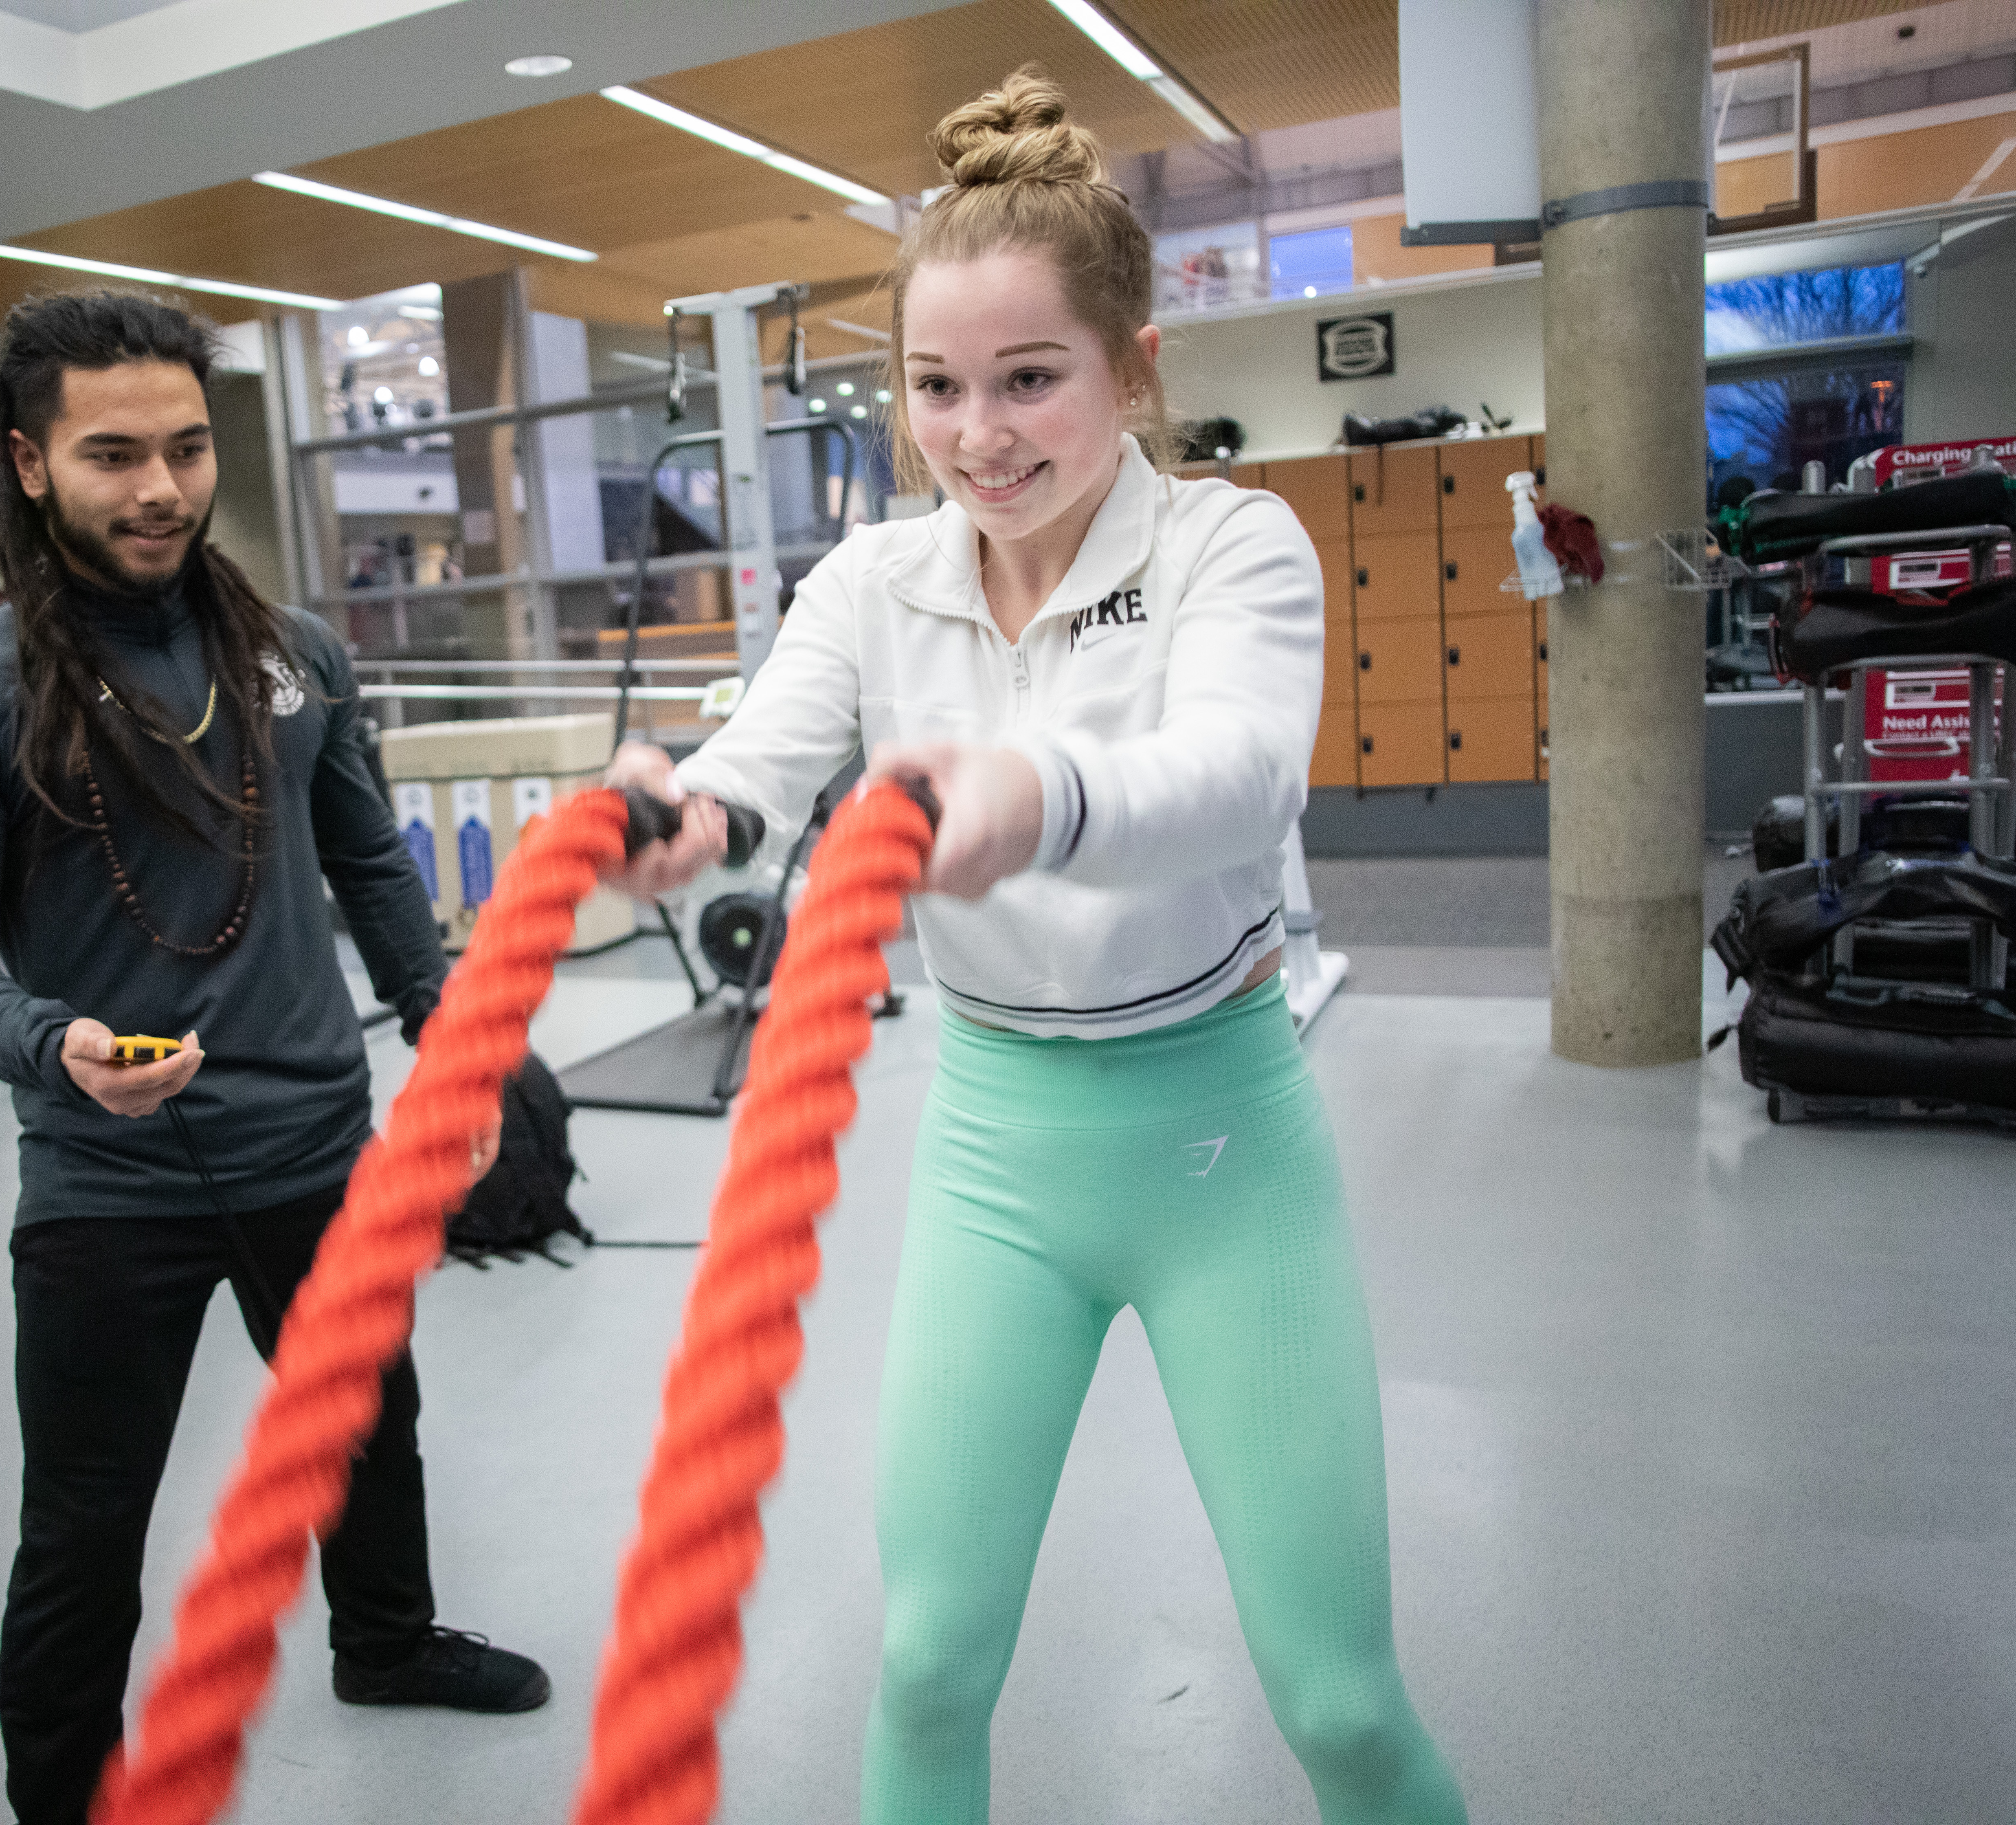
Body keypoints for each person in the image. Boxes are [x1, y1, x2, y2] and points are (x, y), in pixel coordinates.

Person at [608, 71, 1468, 1825]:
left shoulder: (1234, 542)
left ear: (1130, 364)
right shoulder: (868, 583)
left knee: (1337, 1700)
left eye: (1026, 380)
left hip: (1218, 1144)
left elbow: (1230, 774)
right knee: (925, 1656)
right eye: (934, 387)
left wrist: (1034, 795)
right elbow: (756, 766)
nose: (977, 435)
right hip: (995, 1149)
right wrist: (675, 815)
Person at [0, 289, 544, 1825]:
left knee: (368, 1424)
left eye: (183, 448)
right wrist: (54, 1047)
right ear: (31, 464)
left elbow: (373, 870)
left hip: (315, 1146)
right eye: (112, 454)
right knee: (85, 1526)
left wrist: (461, 1043)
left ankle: (383, 1640)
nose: (160, 488)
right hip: (109, 1179)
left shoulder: (292, 653)